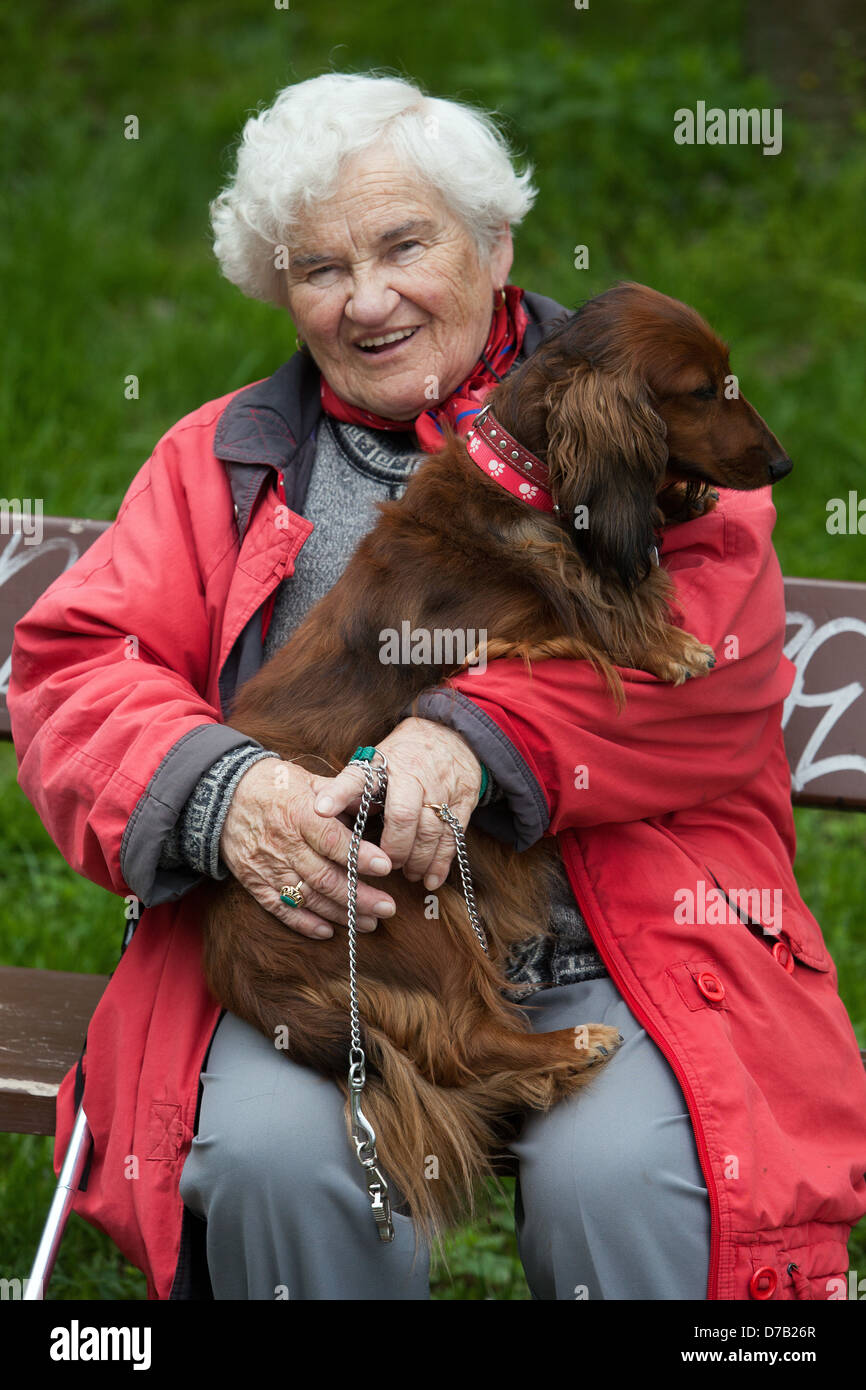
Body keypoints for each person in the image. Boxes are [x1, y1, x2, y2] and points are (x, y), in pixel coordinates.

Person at [9, 72, 866, 1302]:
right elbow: (79, 667)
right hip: (335, 946)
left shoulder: (641, 422)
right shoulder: (223, 457)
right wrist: (224, 795)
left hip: (625, 957)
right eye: (316, 267)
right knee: (271, 1161)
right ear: (277, 288)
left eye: (404, 244)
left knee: (626, 1180)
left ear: (494, 242)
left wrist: (467, 739)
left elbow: (713, 679)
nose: (366, 300)